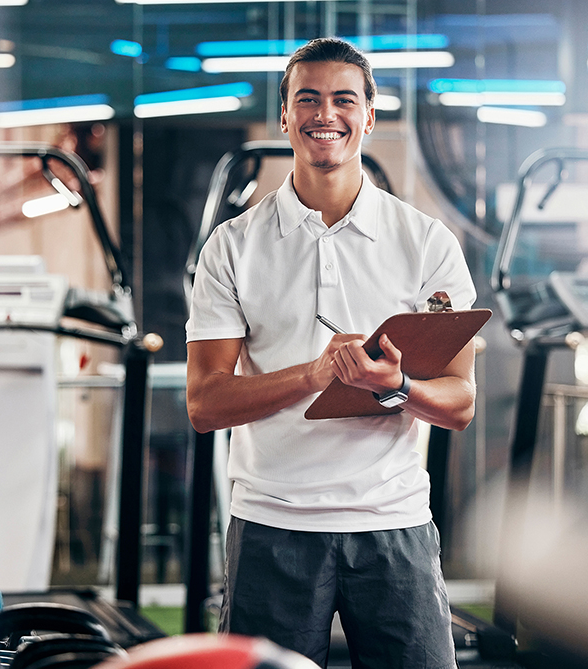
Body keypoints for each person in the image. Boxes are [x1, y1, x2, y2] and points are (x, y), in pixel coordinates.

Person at [185, 37, 477, 669]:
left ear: (369, 115)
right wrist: (317, 373)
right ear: (285, 115)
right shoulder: (232, 249)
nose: (326, 115)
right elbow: (205, 404)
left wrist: (397, 387)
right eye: (307, 99)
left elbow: (459, 403)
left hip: (393, 521)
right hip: (272, 526)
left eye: (345, 100)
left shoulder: (426, 243)